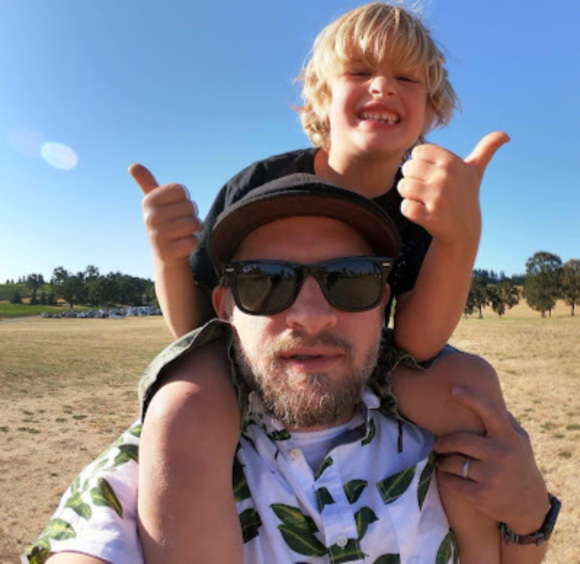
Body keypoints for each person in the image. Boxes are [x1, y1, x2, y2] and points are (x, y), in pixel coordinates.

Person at [127, 1, 553, 564]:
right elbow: (199, 326)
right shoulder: (262, 184)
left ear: (431, 107)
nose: (383, 86)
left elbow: (419, 342)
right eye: (360, 71)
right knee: (187, 401)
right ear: (322, 96)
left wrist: (459, 238)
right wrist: (166, 257)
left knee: (468, 387)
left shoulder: (424, 204)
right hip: (253, 346)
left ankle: (479, 553)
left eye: (407, 77)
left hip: (365, 350)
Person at [24, 175, 557, 564]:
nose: (311, 315)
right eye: (265, 281)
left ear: (383, 302)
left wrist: (531, 519)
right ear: (224, 306)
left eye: (350, 279)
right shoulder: (174, 451)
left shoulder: (449, 428)